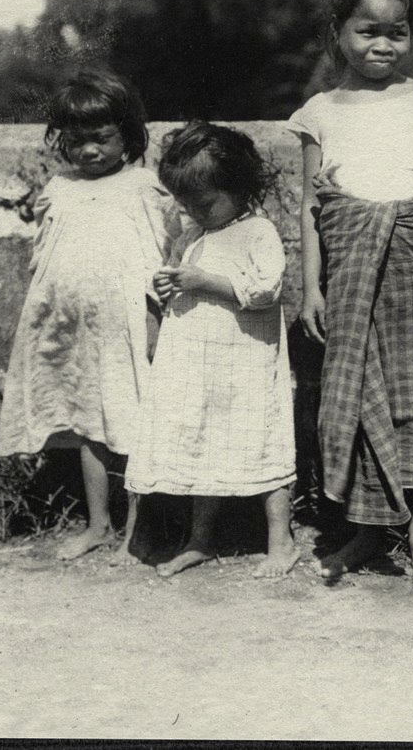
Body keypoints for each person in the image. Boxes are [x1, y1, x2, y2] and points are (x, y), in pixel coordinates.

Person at [289, 0, 413, 582]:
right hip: (347, 273)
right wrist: (311, 288)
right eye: (368, 32)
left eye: (398, 32)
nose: (384, 46)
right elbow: (313, 210)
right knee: (358, 397)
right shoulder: (318, 114)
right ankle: (367, 532)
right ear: (338, 33)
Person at [0, 70, 179, 563]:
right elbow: (48, 259)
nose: (90, 151)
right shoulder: (61, 189)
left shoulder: (143, 187)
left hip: (126, 328)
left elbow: (162, 256)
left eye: (102, 139)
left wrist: (156, 320)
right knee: (87, 425)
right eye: (78, 142)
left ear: (127, 136)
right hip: (75, 331)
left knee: (134, 421)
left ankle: (138, 530)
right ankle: (98, 523)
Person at [127, 123, 299, 579]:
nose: (193, 212)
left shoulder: (257, 231)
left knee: (262, 442)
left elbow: (266, 289)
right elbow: (185, 286)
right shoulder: (195, 236)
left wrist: (203, 281)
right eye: (185, 204)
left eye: (203, 203)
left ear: (239, 188)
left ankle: (281, 541)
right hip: (201, 367)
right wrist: (168, 285)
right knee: (206, 446)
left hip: (246, 365)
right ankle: (200, 539)